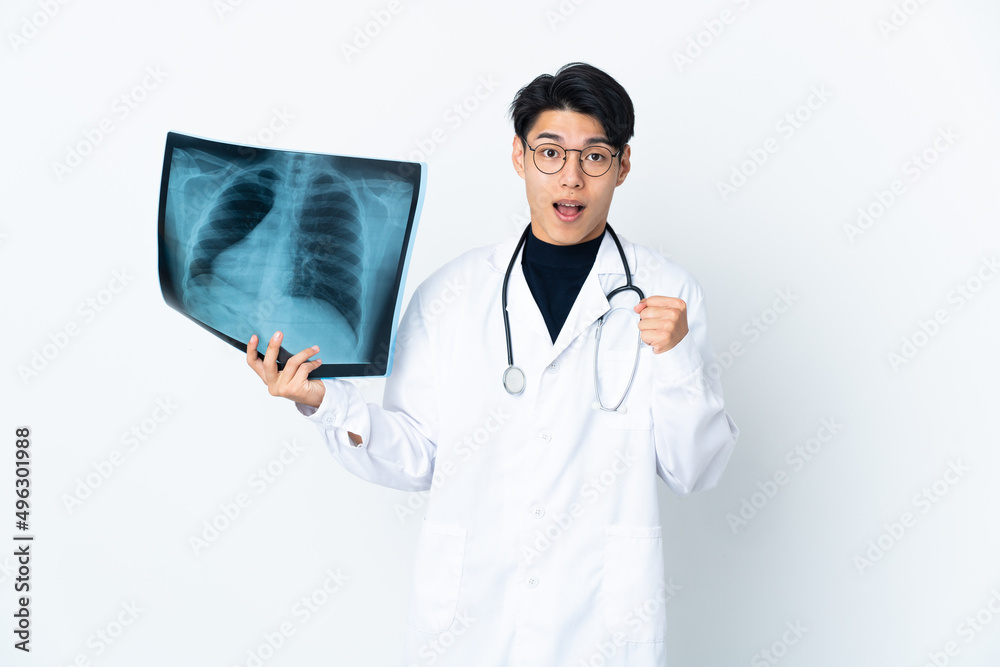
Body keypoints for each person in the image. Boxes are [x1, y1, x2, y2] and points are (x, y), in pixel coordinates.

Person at [246, 62, 739, 667]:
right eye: (551, 153)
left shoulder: (666, 293)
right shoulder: (451, 293)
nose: (571, 178)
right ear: (518, 156)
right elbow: (418, 456)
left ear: (624, 165)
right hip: (472, 625)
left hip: (600, 627)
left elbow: (696, 471)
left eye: (595, 157)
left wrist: (677, 358)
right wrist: (322, 402)